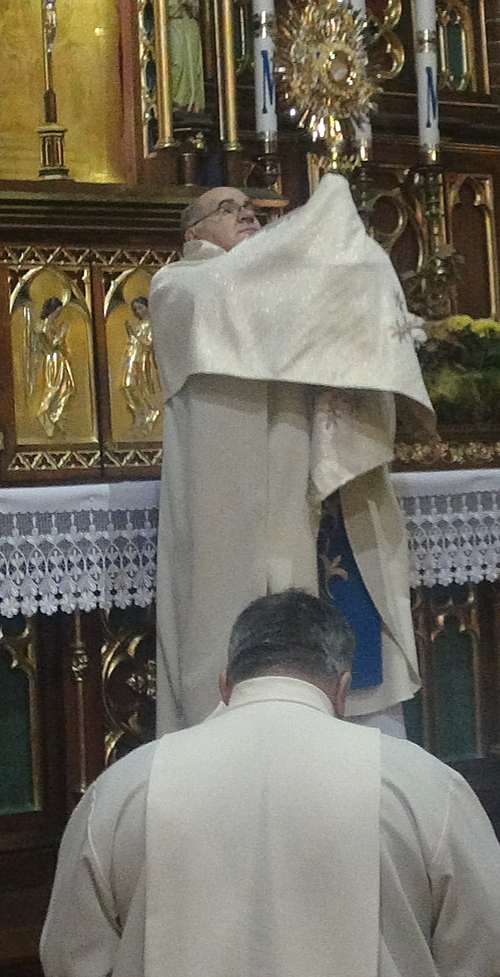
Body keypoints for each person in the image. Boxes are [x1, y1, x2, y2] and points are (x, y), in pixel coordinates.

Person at [39, 589, 500, 977]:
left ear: (225, 682)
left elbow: (75, 964)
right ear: (342, 689)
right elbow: (495, 954)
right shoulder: (423, 785)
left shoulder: (125, 788)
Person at [148, 179, 431, 733]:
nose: (246, 215)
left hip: (302, 481)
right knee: (221, 618)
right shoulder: (177, 284)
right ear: (193, 233)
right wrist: (313, 228)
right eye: (226, 209)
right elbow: (224, 296)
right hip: (229, 497)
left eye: (251, 207)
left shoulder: (284, 282)